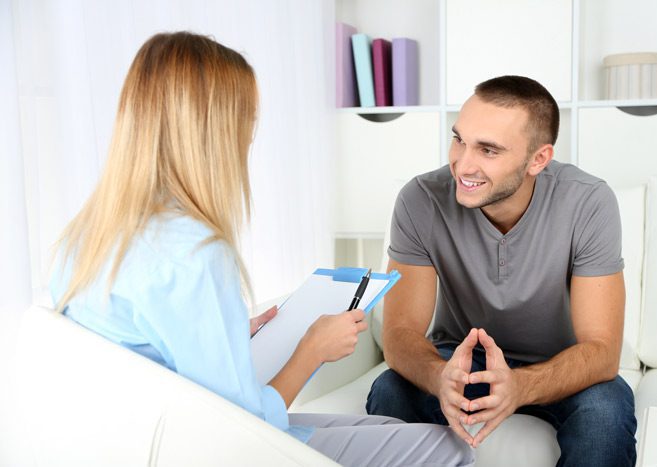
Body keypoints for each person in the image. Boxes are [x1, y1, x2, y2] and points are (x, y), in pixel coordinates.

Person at [50, 32, 474, 466]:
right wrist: (313, 349)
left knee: (388, 430)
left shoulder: (84, 239)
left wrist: (231, 332)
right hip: (205, 450)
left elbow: (160, 349)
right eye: (247, 117)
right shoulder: (193, 252)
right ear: (213, 129)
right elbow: (239, 429)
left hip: (135, 441)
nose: (251, 132)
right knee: (448, 451)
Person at [365, 75, 637, 466]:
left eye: (488, 150)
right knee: (391, 390)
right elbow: (400, 334)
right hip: (461, 357)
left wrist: (520, 386)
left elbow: (601, 351)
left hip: (562, 363)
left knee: (606, 411)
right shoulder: (420, 200)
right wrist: (439, 377)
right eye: (459, 139)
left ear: (538, 159)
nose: (463, 163)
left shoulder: (589, 202)